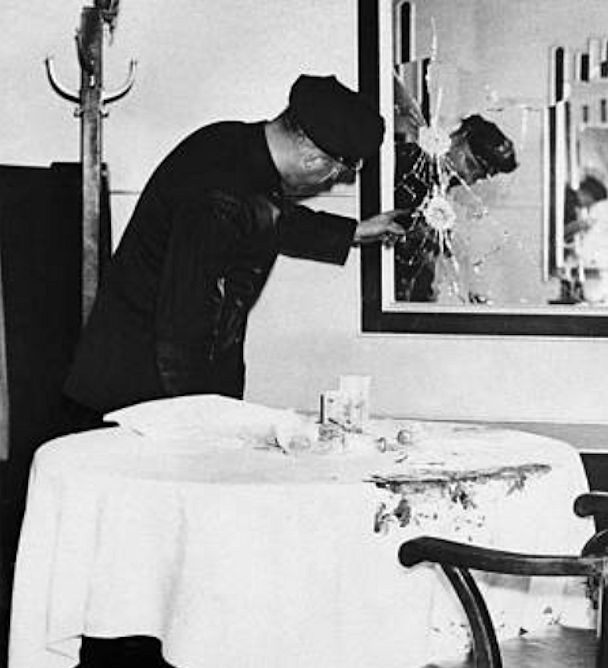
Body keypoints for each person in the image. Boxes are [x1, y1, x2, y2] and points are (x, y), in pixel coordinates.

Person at [63, 74, 408, 421]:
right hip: (146, 397)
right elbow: (187, 323)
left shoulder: (230, 144)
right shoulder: (222, 197)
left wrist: (356, 231)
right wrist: (208, 421)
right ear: (313, 160)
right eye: (335, 172)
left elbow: (267, 217)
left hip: (139, 381)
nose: (331, 180)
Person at [391, 114, 518, 302]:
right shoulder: (409, 154)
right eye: (470, 164)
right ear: (458, 138)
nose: (467, 177)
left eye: (478, 177)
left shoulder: (440, 197)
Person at [563, 173, 608, 245]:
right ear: (586, 194)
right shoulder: (569, 205)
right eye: (592, 201)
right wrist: (574, 227)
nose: (590, 206)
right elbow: (555, 235)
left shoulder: (566, 194)